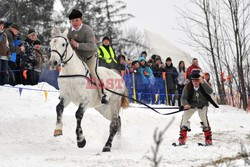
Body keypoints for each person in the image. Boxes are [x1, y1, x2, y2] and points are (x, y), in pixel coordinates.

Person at [67, 9, 108, 104]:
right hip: (78, 58)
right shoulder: (70, 32)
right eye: (72, 21)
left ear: (81, 20)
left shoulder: (88, 30)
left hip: (90, 57)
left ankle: (102, 94)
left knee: (93, 73)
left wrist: (77, 45)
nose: (74, 23)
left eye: (76, 20)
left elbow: (91, 46)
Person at [178, 71, 215, 146]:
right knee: (184, 118)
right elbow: (183, 98)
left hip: (202, 105)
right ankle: (183, 137)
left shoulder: (203, 85)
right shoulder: (187, 87)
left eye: (197, 80)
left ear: (200, 80)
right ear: (191, 80)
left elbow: (210, 91)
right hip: (191, 105)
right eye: (193, 80)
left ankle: (208, 138)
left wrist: (204, 83)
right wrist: (185, 104)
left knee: (204, 119)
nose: (195, 82)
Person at [0, 20, 10, 85]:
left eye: (2, 25)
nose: (1, 27)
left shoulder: (4, 35)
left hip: (5, 57)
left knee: (5, 72)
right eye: (0, 25)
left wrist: (9, 53)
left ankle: (5, 86)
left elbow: (7, 46)